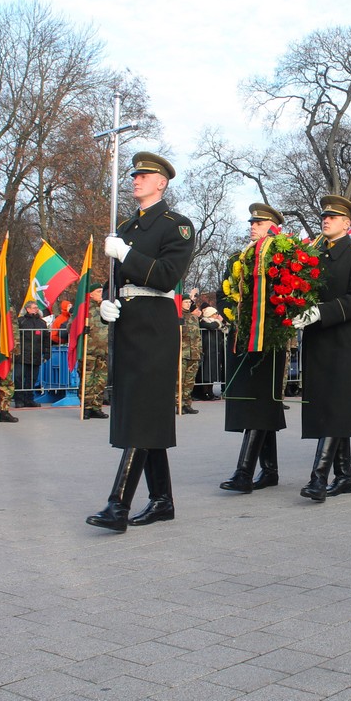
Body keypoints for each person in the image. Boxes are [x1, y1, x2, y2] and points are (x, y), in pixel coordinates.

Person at [86, 152, 195, 532]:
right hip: (128, 326)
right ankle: (162, 500)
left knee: (142, 414)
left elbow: (166, 276)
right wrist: (106, 303)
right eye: (134, 175)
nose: (136, 179)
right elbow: (115, 279)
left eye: (144, 175)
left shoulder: (177, 226)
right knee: (142, 413)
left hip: (153, 327)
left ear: (161, 183)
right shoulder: (126, 226)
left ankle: (118, 506)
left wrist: (126, 253)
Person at [292, 195, 351, 502]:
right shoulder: (312, 254)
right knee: (329, 406)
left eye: (332, 217)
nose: (325, 220)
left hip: (343, 341)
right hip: (318, 341)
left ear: (347, 223)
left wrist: (320, 311)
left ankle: (318, 478)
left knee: (335, 406)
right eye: (323, 216)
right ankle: (344, 476)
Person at [220, 203, 288, 493]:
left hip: (267, 339)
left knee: (259, 403)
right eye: (251, 223)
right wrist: (231, 314)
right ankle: (269, 470)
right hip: (241, 338)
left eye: (259, 223)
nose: (252, 227)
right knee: (255, 403)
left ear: (273, 228)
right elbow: (224, 292)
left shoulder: (281, 258)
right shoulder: (237, 258)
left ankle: (244, 472)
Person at [81, 284, 110, 420]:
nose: (101, 294)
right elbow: (71, 326)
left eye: (102, 291)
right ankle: (86, 407)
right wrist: (82, 330)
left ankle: (96, 407)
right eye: (98, 291)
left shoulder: (106, 308)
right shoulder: (84, 309)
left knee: (100, 381)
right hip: (89, 351)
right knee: (87, 381)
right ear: (90, 294)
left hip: (103, 351)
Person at [14, 300, 48, 407]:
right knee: (19, 377)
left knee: (32, 379)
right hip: (21, 355)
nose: (36, 309)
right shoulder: (20, 321)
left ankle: (29, 399)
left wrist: (47, 353)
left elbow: (46, 339)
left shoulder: (42, 323)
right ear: (28, 309)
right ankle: (19, 400)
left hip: (36, 355)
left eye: (37, 308)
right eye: (34, 308)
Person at [179, 291, 203, 414]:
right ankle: (178, 404)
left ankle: (187, 404)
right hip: (182, 353)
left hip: (194, 353)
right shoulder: (178, 317)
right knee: (179, 380)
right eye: (185, 302)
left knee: (190, 381)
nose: (188, 304)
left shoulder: (194, 318)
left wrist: (199, 350)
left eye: (189, 302)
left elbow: (198, 336)